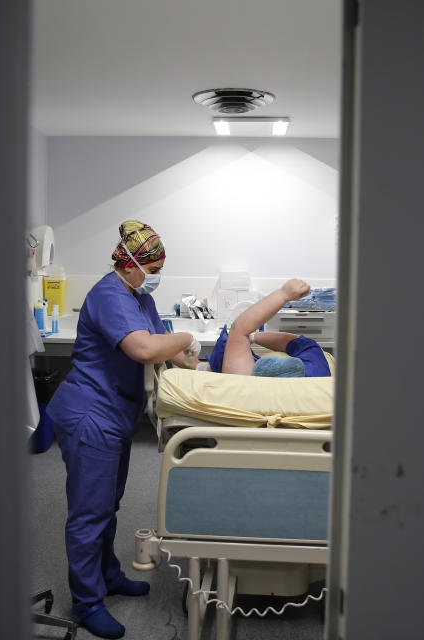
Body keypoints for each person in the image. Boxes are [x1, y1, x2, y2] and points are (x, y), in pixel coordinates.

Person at [45, 220, 200, 639]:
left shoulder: (136, 295)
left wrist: (194, 364)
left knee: (108, 505)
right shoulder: (109, 295)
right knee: (89, 513)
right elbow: (144, 348)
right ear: (130, 264)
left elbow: (160, 339)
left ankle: (108, 575)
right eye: (153, 270)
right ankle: (87, 601)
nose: (156, 278)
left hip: (115, 414)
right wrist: (186, 336)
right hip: (90, 413)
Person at [201, 278, 332, 378]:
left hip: (248, 390)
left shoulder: (235, 373)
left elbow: (240, 330)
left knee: (242, 381)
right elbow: (240, 327)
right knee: (308, 347)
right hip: (313, 379)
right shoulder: (314, 364)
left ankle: (271, 384)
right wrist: (283, 294)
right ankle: (284, 383)